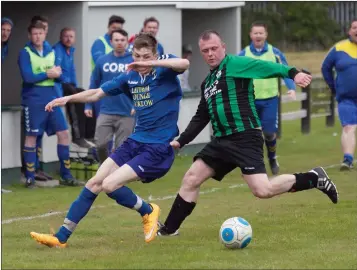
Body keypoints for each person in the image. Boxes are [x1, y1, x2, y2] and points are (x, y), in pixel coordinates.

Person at [157, 30, 339, 237]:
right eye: (205, 50)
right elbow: (201, 117)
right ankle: (169, 230)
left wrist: (292, 73)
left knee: (263, 190)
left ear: (223, 47)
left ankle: (314, 178)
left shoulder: (236, 64)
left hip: (245, 137)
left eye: (214, 48)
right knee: (191, 178)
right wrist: (180, 141)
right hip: (221, 141)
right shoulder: (207, 82)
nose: (210, 54)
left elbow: (267, 67)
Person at [29, 33, 189, 247]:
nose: (141, 62)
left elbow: (184, 63)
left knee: (110, 184)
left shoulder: (164, 70)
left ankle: (148, 210)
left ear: (155, 54)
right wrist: (67, 98)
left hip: (157, 148)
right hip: (135, 141)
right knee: (95, 182)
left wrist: (153, 62)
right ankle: (61, 237)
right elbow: (96, 93)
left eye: (146, 56)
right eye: (138, 56)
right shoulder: (129, 77)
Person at [18, 22, 79, 188]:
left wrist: (58, 75)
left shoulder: (52, 51)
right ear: (30, 36)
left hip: (52, 97)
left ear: (45, 34)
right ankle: (30, 177)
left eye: (41, 33)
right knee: (32, 137)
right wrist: (48, 73)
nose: (38, 36)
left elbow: (61, 76)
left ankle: (66, 175)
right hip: (33, 99)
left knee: (64, 133)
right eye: (35, 34)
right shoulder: (25, 52)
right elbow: (28, 77)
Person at [238, 21, 297, 175]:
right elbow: (234, 73)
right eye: (255, 33)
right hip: (250, 100)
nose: (258, 35)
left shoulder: (275, 53)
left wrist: (291, 88)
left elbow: (286, 71)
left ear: (266, 35)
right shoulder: (243, 54)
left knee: (269, 133)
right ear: (250, 35)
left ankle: (272, 157)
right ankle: (254, 163)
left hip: (270, 99)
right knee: (252, 134)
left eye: (261, 33)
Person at [85, 29, 135, 163]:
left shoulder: (133, 61)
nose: (119, 43)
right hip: (106, 110)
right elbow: (94, 83)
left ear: (127, 41)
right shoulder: (102, 61)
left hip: (127, 112)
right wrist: (88, 104)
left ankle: (114, 178)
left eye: (122, 40)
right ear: (111, 42)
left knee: (121, 149)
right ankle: (104, 167)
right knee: (100, 144)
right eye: (116, 40)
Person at [321, 19, 357, 170]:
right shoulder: (338, 48)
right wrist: (334, 87)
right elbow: (325, 68)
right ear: (349, 31)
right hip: (346, 98)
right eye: (355, 27)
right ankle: (347, 160)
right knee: (349, 127)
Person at [53, 27, 93, 149]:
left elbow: (72, 71)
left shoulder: (70, 51)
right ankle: (77, 137)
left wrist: (74, 86)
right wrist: (71, 87)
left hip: (69, 85)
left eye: (71, 36)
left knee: (86, 95)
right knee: (74, 96)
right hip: (59, 85)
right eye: (66, 36)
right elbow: (57, 72)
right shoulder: (57, 50)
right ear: (61, 37)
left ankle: (89, 134)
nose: (68, 39)